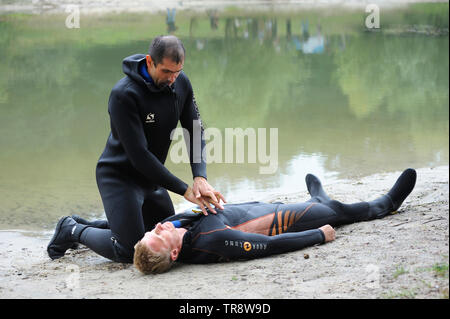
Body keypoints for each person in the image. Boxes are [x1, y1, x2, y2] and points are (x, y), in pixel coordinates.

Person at [47, 35, 225, 263]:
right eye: (166, 72)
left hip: (152, 179)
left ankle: (98, 225)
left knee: (161, 236)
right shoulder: (124, 95)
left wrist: (200, 177)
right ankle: (71, 229)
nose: (172, 79)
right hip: (120, 177)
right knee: (131, 249)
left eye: (177, 71)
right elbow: (139, 156)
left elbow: (195, 129)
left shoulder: (181, 83)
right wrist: (185, 190)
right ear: (150, 61)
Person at [132, 168, 417, 274]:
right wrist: (318, 236)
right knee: (336, 210)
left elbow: (164, 228)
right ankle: (388, 203)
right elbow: (268, 245)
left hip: (264, 207)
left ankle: (316, 198)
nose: (157, 226)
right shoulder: (213, 240)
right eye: (157, 235)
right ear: (173, 253)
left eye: (149, 230)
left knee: (318, 203)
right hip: (290, 221)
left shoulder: (178, 228)